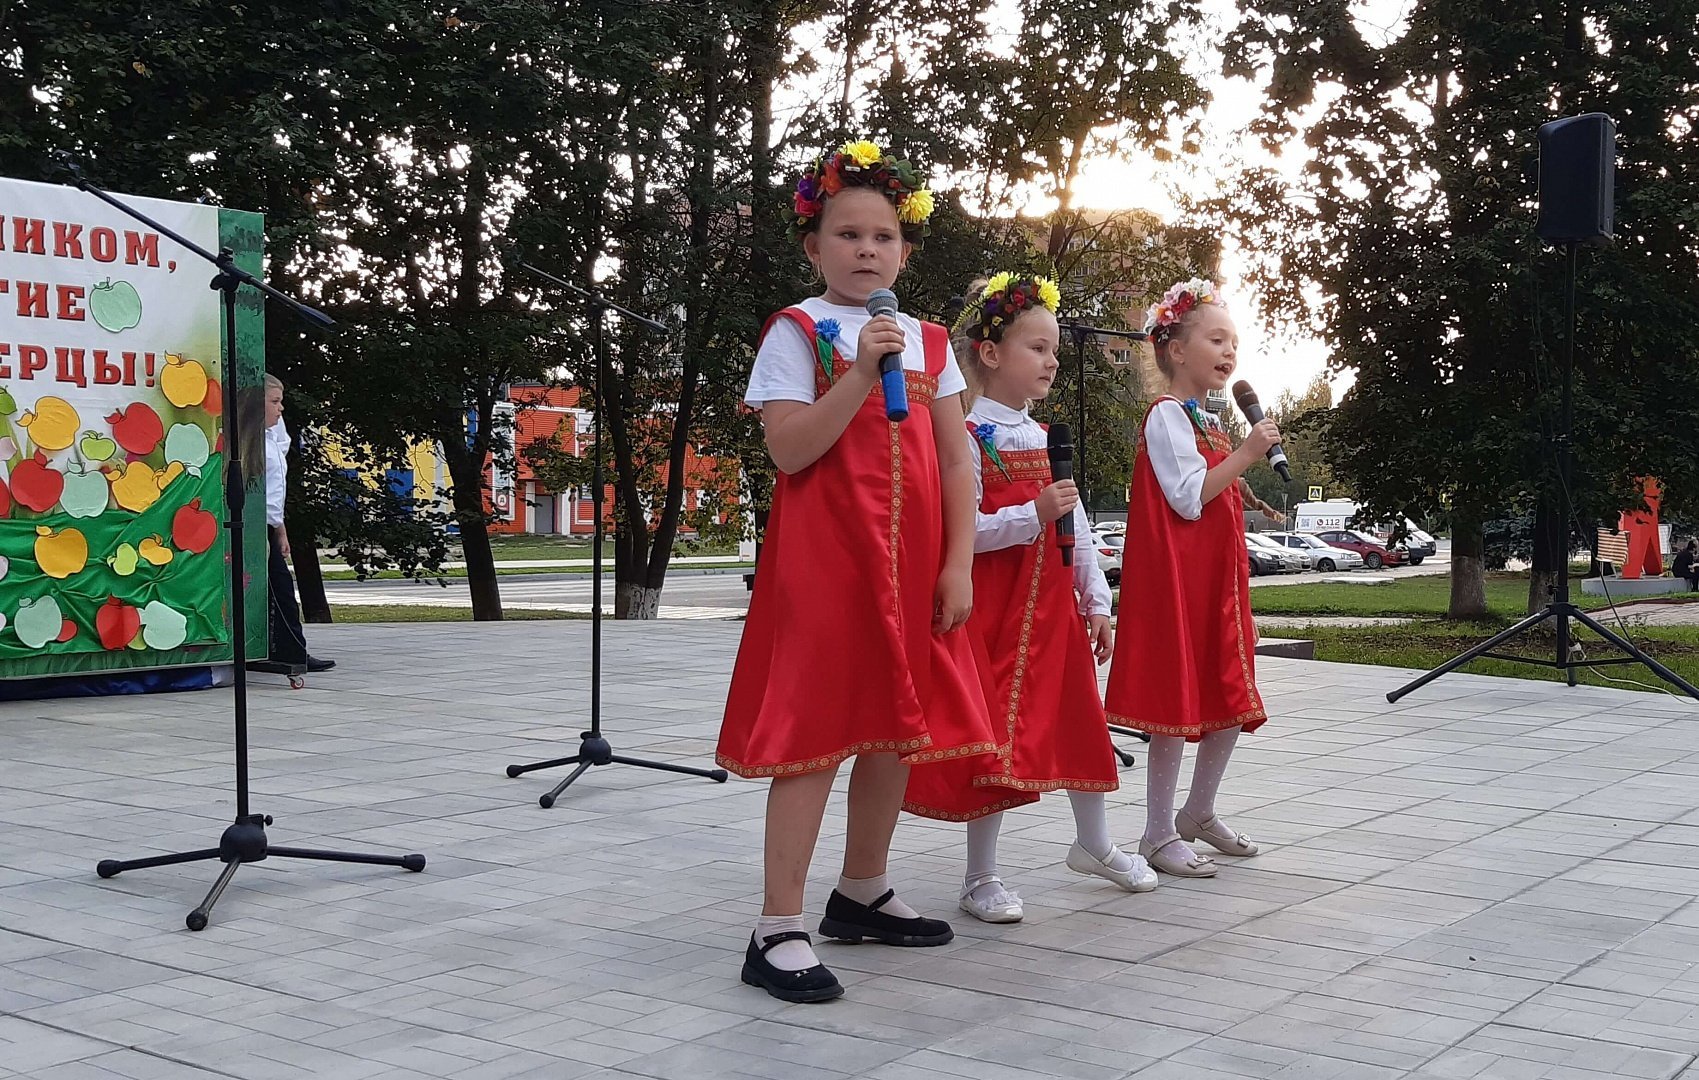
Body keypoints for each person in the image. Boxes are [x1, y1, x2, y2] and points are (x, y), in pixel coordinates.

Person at [716, 139, 998, 1003]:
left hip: (913, 570)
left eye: (882, 235)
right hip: (826, 571)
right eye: (847, 234)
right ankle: (777, 926)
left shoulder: (932, 341)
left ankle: (862, 889)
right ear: (815, 247)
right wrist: (862, 371)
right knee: (814, 738)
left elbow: (956, 462)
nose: (866, 249)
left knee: (894, 728)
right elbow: (791, 450)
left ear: (905, 251)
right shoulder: (795, 332)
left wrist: (958, 564)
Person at [905, 273, 1156, 923]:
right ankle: (979, 876)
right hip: (991, 612)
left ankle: (1094, 842)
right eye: (1036, 348)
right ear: (989, 355)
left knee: (1078, 725)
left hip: (1051, 614)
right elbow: (963, 532)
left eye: (1052, 350)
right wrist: (1031, 515)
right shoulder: (963, 437)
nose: (1050, 361)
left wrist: (1096, 601)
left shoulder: (1047, 441)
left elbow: (1076, 531)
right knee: (992, 743)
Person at [1103, 280, 1278, 879]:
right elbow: (1185, 499)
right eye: (1216, 338)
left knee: (1229, 691)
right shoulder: (1166, 416)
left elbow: (1215, 486)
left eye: (1234, 341)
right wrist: (1248, 456)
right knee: (1175, 702)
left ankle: (1198, 812)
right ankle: (1155, 831)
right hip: (1180, 586)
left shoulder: (1207, 423)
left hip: (1215, 588)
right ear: (1177, 349)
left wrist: (1242, 475)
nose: (1229, 352)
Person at [264, 375, 334, 673]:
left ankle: (286, 650)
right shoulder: (249, 441)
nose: (280, 409)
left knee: (279, 590)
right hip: (254, 528)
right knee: (281, 591)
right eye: (275, 402)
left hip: (268, 525)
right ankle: (291, 652)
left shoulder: (272, 438)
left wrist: (280, 531)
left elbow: (275, 494)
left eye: (282, 402)